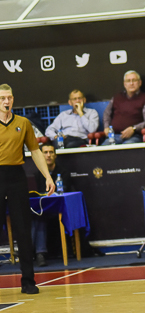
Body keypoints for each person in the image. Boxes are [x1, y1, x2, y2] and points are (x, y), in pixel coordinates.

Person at [0, 84, 55, 294]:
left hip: (16, 176)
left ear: (13, 99)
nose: (6, 101)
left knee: (23, 229)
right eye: (2, 98)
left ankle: (28, 280)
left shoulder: (23, 123)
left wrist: (48, 176)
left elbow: (35, 151)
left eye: (9, 98)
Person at [30, 141, 71, 267]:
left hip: (59, 209)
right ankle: (38, 253)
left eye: (51, 152)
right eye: (45, 153)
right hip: (42, 209)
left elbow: (65, 192)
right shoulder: (37, 174)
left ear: (55, 155)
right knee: (37, 215)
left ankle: (30, 251)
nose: (48, 155)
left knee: (39, 216)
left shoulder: (63, 173)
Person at [102, 70, 145, 145]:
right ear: (124, 84)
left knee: (127, 149)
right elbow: (106, 113)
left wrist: (134, 128)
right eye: (128, 81)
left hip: (135, 136)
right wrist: (106, 127)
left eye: (134, 80)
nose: (131, 83)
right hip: (114, 135)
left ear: (140, 83)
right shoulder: (117, 97)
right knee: (104, 148)